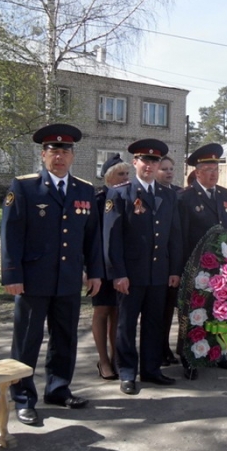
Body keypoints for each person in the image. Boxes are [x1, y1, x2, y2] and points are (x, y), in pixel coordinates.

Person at [1, 123, 102, 426]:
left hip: (69, 279)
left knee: (65, 337)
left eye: (65, 152)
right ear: (43, 155)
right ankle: (23, 398)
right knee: (27, 341)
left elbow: (93, 238)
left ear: (72, 156)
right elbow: (11, 234)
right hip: (33, 279)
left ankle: (58, 389)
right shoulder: (25, 186)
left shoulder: (84, 190)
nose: (59, 157)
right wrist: (11, 275)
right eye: (53, 151)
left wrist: (95, 272)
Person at [103, 139, 183, 395]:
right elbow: (112, 238)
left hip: (159, 273)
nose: (149, 165)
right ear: (135, 162)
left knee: (154, 323)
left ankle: (151, 369)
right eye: (145, 160)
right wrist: (118, 273)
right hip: (131, 275)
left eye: (155, 161)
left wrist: (174, 269)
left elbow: (174, 235)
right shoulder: (120, 192)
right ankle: (127, 372)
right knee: (126, 324)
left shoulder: (168, 194)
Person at [177, 143, 227, 379]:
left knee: (219, 311)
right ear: (197, 172)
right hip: (196, 269)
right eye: (208, 169)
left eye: (216, 169)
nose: (214, 173)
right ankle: (189, 359)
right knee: (194, 313)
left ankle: (217, 353)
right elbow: (182, 236)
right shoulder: (185, 198)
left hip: (222, 269)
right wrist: (184, 267)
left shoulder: (224, 195)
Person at [93, 154, 130, 381]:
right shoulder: (98, 200)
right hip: (101, 264)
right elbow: (92, 237)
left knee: (117, 311)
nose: (125, 178)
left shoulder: (129, 198)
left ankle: (117, 355)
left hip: (121, 265)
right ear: (108, 178)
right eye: (120, 174)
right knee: (102, 310)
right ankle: (103, 360)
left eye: (127, 173)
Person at [155, 156, 182, 367]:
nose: (169, 172)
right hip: (153, 264)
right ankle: (157, 349)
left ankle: (164, 346)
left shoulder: (178, 193)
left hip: (172, 263)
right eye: (164, 169)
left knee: (167, 311)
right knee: (155, 313)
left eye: (171, 169)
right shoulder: (150, 192)